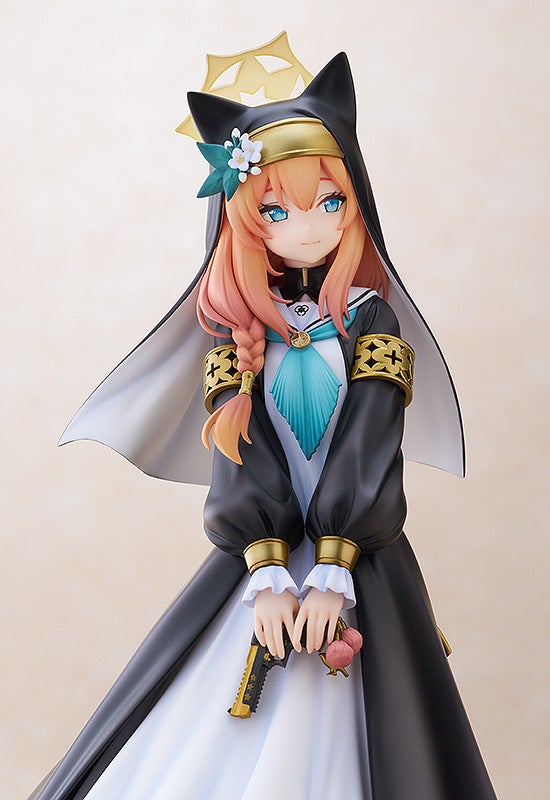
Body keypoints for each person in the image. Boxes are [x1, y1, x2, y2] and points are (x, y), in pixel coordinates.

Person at [29, 52, 497, 800]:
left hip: (358, 556)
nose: (309, 227)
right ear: (242, 219)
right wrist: (268, 570)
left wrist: (336, 565)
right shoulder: (238, 334)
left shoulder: (372, 322)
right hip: (264, 562)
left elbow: (372, 443)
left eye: (329, 202)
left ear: (355, 202)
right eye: (277, 211)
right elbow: (241, 457)